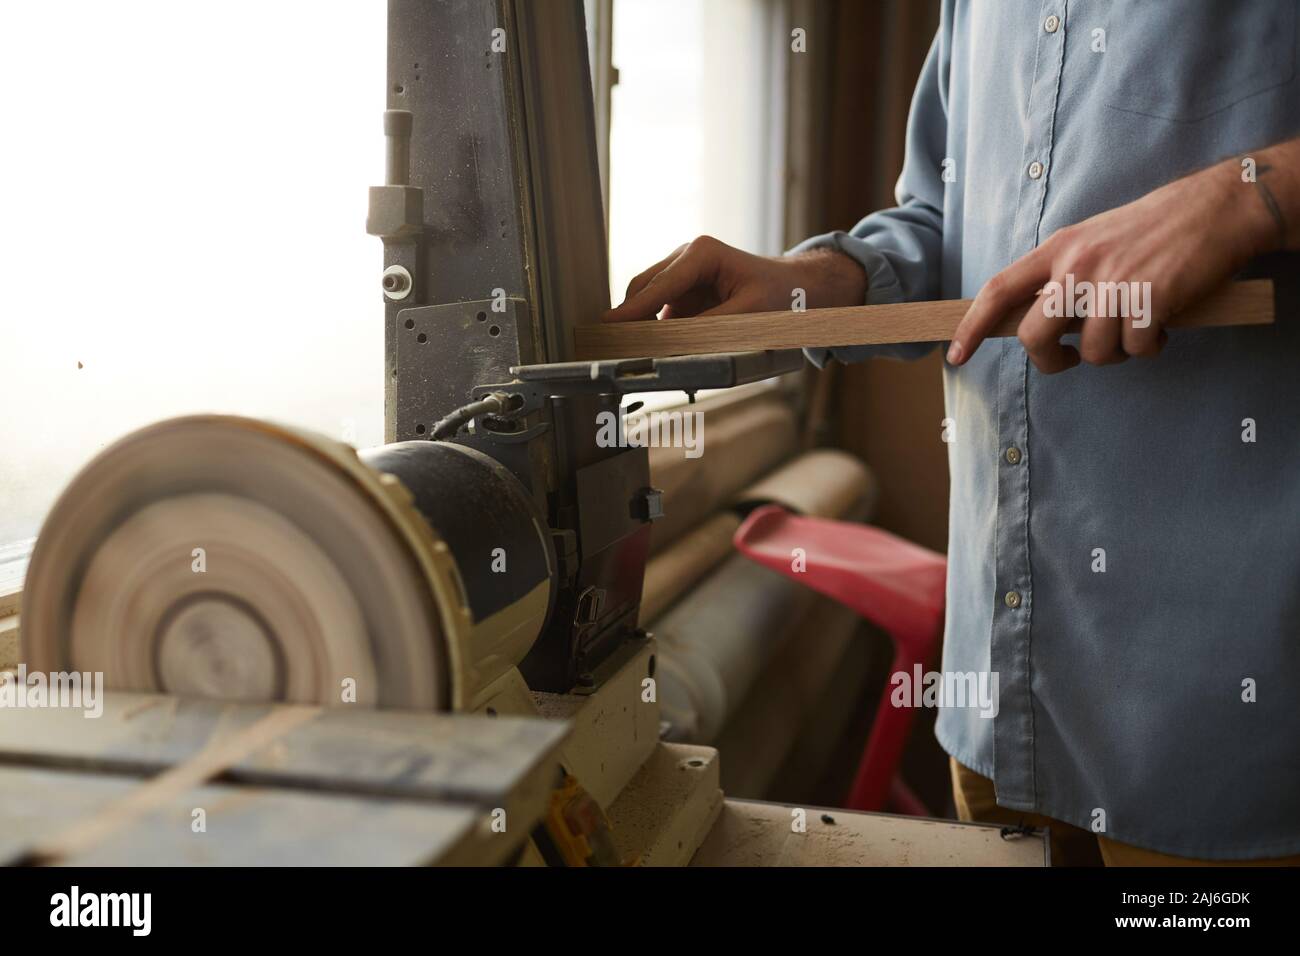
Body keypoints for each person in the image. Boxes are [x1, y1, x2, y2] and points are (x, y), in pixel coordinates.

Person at [603, 1, 1300, 866]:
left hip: (1225, 736)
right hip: (1001, 701)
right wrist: (809, 280)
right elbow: (947, 223)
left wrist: (1253, 195)